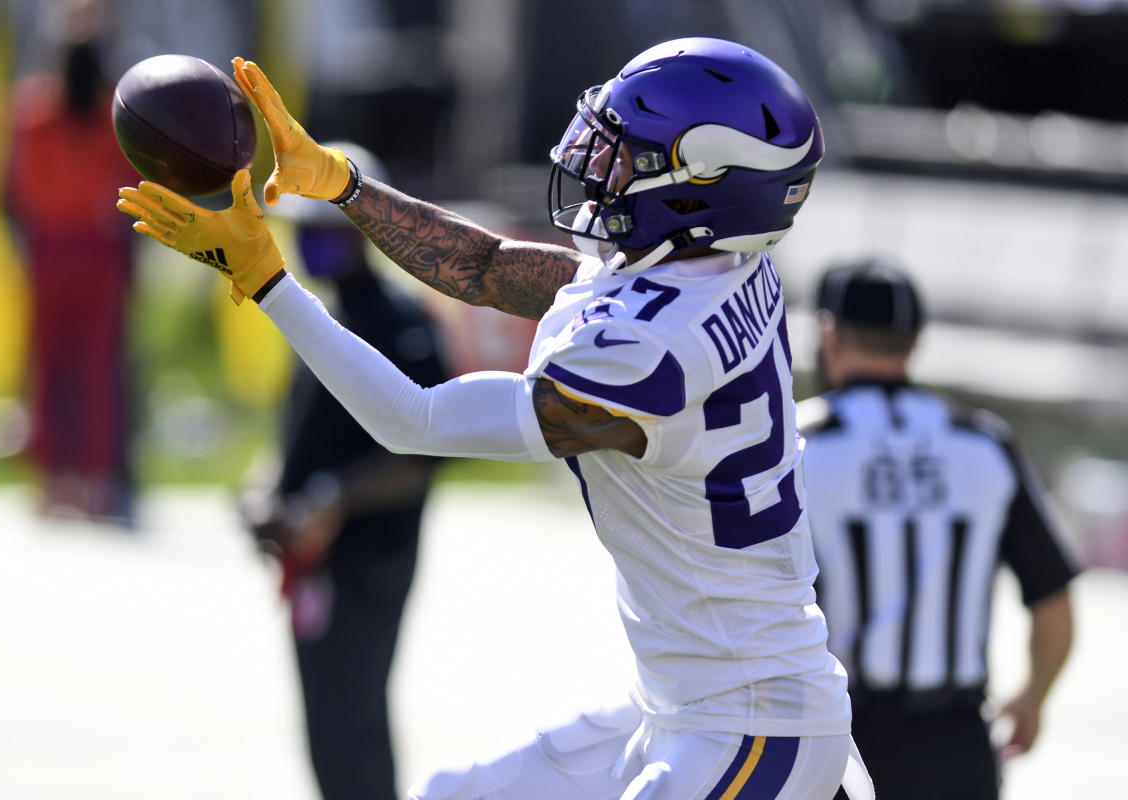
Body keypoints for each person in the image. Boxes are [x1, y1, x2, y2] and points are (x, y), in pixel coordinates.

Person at [118, 37, 874, 800]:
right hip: (685, 702)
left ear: (702, 183)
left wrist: (266, 280)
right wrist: (344, 185)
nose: (595, 163)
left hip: (753, 724)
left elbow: (413, 420)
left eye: (626, 153)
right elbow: (485, 268)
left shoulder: (649, 351)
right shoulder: (713, 267)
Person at [797, 257, 1079, 800]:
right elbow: (1055, 605)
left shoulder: (794, 444)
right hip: (957, 746)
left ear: (828, 334)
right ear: (916, 339)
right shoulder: (985, 443)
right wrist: (1031, 697)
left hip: (835, 741)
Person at [238, 143, 447, 800]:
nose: (319, 247)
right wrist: (266, 490)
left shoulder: (399, 320)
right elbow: (300, 435)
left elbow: (420, 456)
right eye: (309, 234)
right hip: (311, 558)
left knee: (350, 720)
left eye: (332, 232)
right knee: (326, 726)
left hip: (367, 560)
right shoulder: (320, 319)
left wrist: (332, 499)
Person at [6, 0, 138, 523]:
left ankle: (51, 480)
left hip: (50, 248)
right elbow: (128, 185)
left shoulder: (31, 110)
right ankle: (93, 481)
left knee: (49, 363)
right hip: (98, 248)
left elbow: (21, 189)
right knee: (97, 365)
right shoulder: (113, 112)